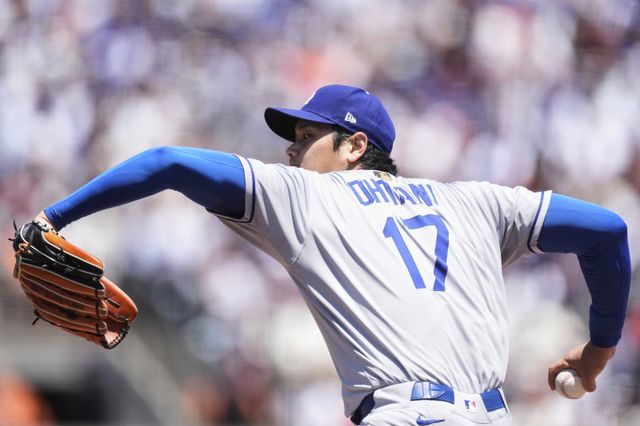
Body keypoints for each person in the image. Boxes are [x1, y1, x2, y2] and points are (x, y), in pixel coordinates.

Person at [32, 84, 630, 425]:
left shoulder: (308, 196)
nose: (291, 153)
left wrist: (52, 217)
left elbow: (167, 161)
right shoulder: (476, 201)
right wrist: (599, 350)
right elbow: (607, 231)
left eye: (305, 137)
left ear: (355, 146)